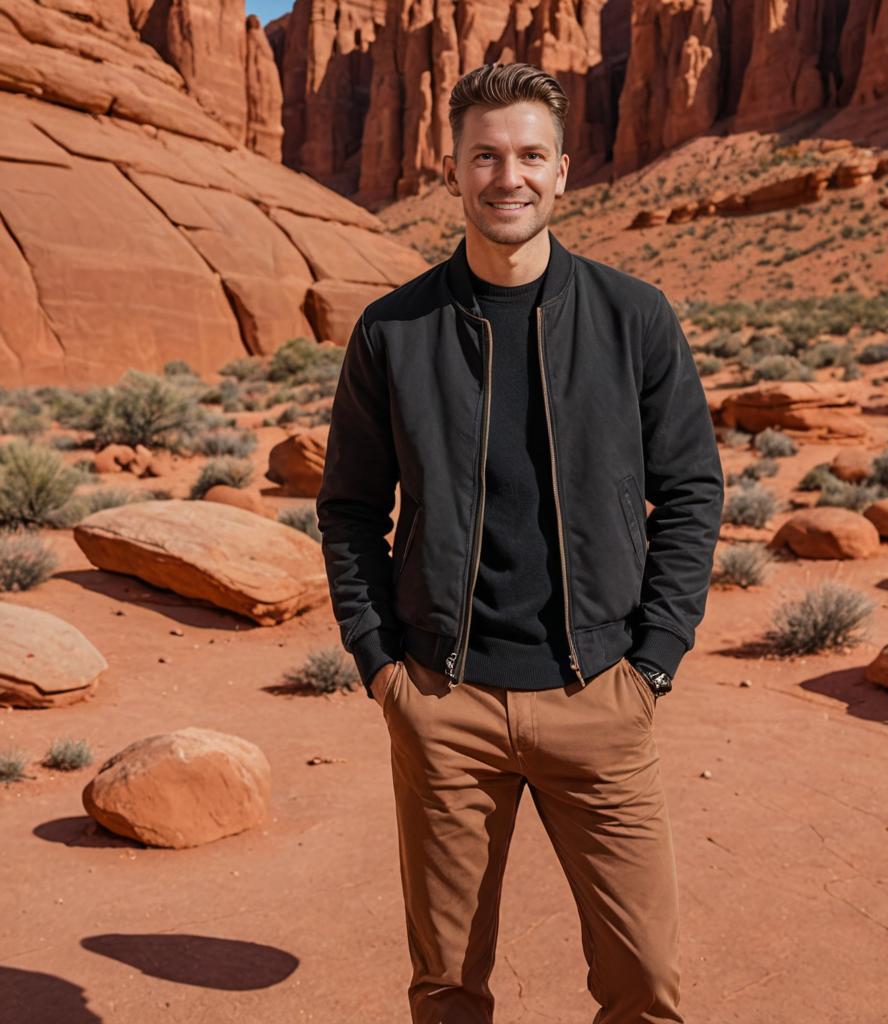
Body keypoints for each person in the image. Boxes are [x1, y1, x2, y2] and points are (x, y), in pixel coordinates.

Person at [316, 61, 723, 1024]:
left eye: (530, 156)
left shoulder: (635, 318)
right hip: (444, 702)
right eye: (486, 156)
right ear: (450, 171)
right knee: (449, 988)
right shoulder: (393, 331)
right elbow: (349, 509)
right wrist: (383, 669)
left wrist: (654, 662)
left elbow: (692, 492)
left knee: (647, 984)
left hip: (601, 697)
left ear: (565, 172)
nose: (510, 177)